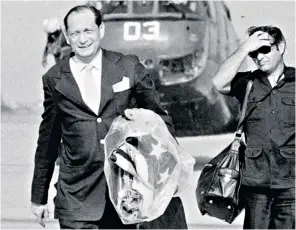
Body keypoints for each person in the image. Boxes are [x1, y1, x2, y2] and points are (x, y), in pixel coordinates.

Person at [31, 4, 187, 229]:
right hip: (77, 198)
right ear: (66, 36)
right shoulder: (54, 79)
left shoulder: (128, 67)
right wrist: (39, 196)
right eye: (75, 33)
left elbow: (160, 121)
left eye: (88, 31)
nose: (82, 39)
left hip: (125, 195)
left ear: (101, 30)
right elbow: (48, 140)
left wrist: (167, 174)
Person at [212, 26, 295, 229]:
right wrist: (243, 49)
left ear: (281, 47)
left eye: (264, 50)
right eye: (253, 53)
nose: (259, 57)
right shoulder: (248, 83)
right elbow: (218, 82)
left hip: (292, 185)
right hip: (256, 185)